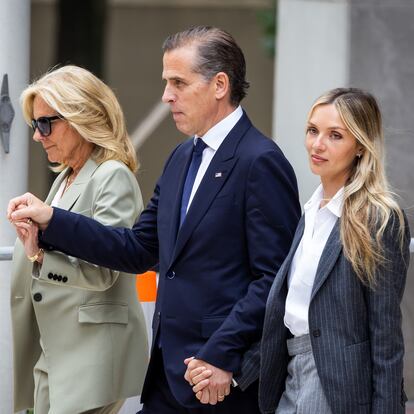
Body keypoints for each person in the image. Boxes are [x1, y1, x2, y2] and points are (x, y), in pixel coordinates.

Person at [8, 26, 301, 413]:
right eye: (167, 82)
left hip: (220, 380)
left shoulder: (260, 161)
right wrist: (53, 222)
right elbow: (138, 249)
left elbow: (274, 279)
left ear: (219, 85)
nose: (167, 96)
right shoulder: (182, 157)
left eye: (178, 82)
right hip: (168, 374)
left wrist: (220, 355)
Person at [195, 87, 410, 414]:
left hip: (339, 385)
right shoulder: (309, 212)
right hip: (292, 374)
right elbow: (288, 317)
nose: (318, 144)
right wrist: (229, 368)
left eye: (335, 135)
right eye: (313, 131)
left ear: (360, 146)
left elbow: (385, 338)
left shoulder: (379, 218)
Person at [10, 65, 148, 414]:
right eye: (34, 125)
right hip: (58, 356)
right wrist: (35, 251)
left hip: (91, 361)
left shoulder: (112, 176)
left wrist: (42, 256)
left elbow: (107, 269)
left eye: (45, 123)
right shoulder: (67, 178)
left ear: (81, 117)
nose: (37, 136)